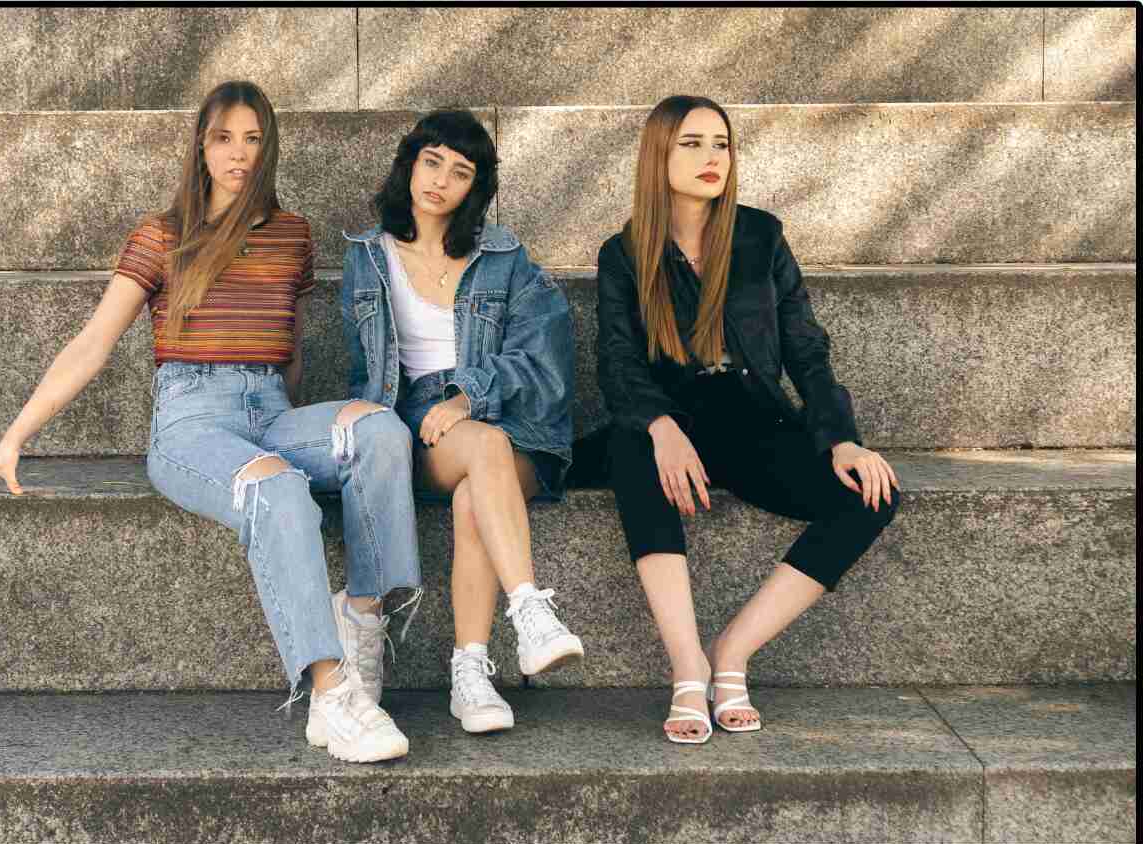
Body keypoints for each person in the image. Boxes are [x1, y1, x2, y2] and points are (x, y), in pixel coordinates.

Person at [0, 80, 422, 764]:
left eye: (254, 139)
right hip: (192, 424)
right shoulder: (162, 234)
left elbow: (286, 353)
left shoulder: (293, 235)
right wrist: (13, 439)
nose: (239, 153)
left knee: (379, 431)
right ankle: (331, 693)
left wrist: (309, 426)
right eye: (225, 137)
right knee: (278, 489)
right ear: (202, 144)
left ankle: (363, 623)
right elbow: (93, 342)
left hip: (271, 412)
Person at [591, 95, 900, 744]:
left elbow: (806, 348)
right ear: (659, 156)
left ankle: (732, 651)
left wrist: (841, 438)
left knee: (872, 496)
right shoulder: (623, 254)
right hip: (672, 421)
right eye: (692, 144)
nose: (712, 158)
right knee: (632, 448)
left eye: (721, 144)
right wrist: (661, 425)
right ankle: (687, 666)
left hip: (755, 421)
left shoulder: (760, 236)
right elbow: (618, 363)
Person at [338, 109, 583, 735]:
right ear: (410, 165)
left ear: (476, 187)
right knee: (478, 454)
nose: (441, 180)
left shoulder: (503, 257)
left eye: (460, 171)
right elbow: (362, 365)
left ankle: (472, 673)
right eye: (432, 161)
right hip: (413, 425)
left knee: (481, 478)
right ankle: (525, 611)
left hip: (508, 421)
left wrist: (467, 395)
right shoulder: (368, 256)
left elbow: (543, 357)